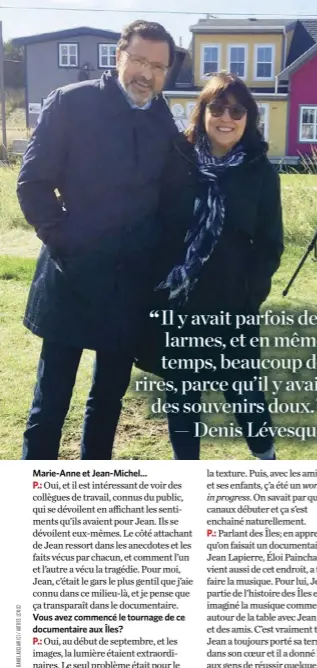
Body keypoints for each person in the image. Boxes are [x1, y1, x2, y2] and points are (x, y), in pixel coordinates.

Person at [17, 20, 178, 460]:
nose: (147, 74)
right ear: (119, 56)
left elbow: (168, 198)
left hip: (129, 285)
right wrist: (64, 239)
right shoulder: (72, 103)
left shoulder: (163, 120)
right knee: (50, 404)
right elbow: (32, 184)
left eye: (158, 66)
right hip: (72, 275)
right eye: (140, 60)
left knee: (107, 403)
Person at [139, 72, 284, 460]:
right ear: (202, 112)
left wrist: (251, 295)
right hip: (179, 303)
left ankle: (266, 462)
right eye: (218, 107)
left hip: (233, 303)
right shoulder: (177, 160)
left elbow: (271, 244)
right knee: (182, 392)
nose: (227, 117)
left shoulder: (260, 171)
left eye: (237, 111)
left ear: (248, 119)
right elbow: (154, 224)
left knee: (244, 388)